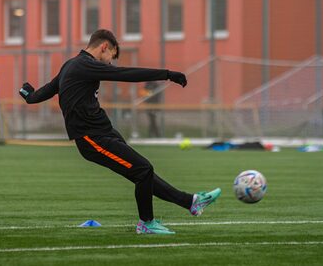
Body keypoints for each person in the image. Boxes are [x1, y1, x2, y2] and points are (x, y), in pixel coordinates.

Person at [19, 29, 221, 234]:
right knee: (143, 170)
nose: (109, 63)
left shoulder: (70, 65)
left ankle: (191, 202)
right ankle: (146, 223)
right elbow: (126, 74)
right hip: (92, 139)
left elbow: (43, 92)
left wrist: (29, 95)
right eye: (110, 58)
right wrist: (167, 74)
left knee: (143, 174)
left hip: (104, 132)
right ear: (105, 46)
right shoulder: (85, 65)